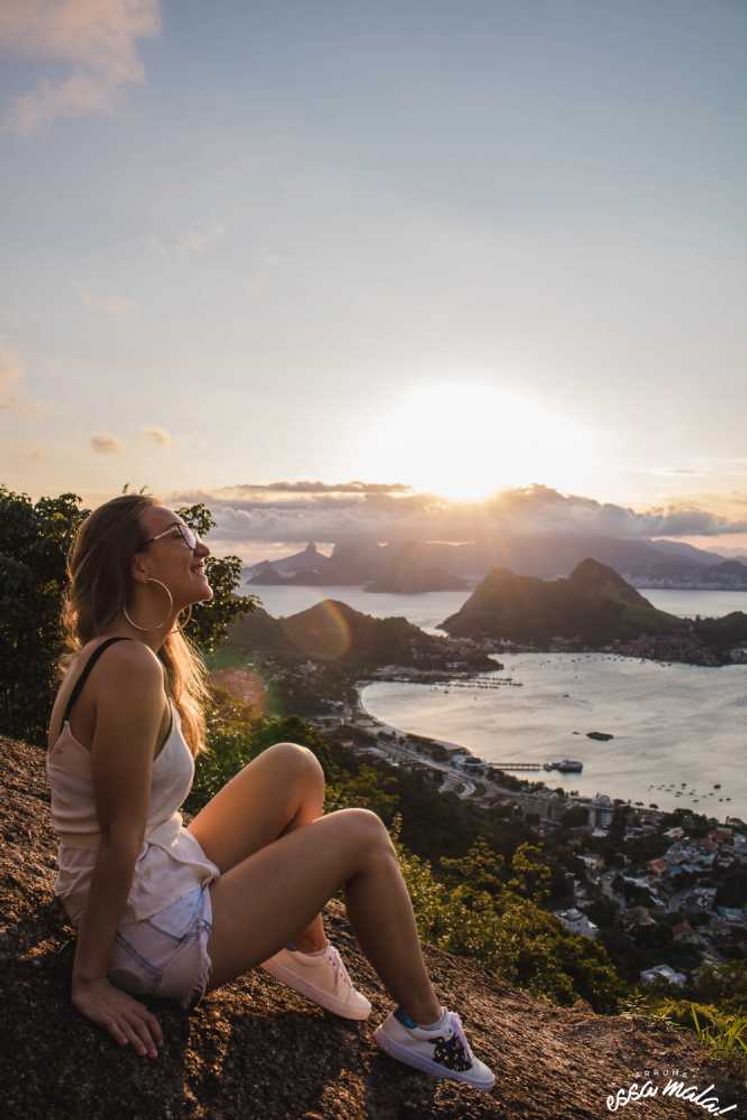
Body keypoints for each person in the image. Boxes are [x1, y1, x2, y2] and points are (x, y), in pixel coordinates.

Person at [45, 493, 495, 1091]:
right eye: (180, 535)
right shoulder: (130, 667)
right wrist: (90, 981)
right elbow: (119, 836)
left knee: (295, 765)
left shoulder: (122, 655)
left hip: (153, 878)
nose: (201, 546)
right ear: (139, 565)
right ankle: (425, 1027)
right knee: (362, 833)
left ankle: (304, 954)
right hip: (145, 932)